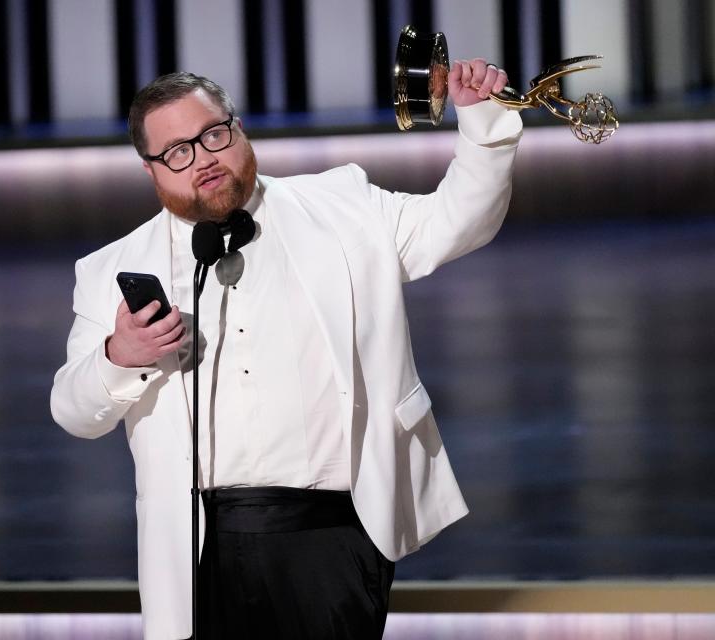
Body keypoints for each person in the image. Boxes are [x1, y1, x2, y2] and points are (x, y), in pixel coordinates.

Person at [51, 59, 521, 639]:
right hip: (198, 547)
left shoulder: (342, 206)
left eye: (213, 135)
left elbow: (459, 221)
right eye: (176, 152)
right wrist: (118, 356)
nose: (202, 159)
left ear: (239, 129)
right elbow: (72, 412)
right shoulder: (111, 272)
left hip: (333, 530)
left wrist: (483, 123)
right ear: (151, 171)